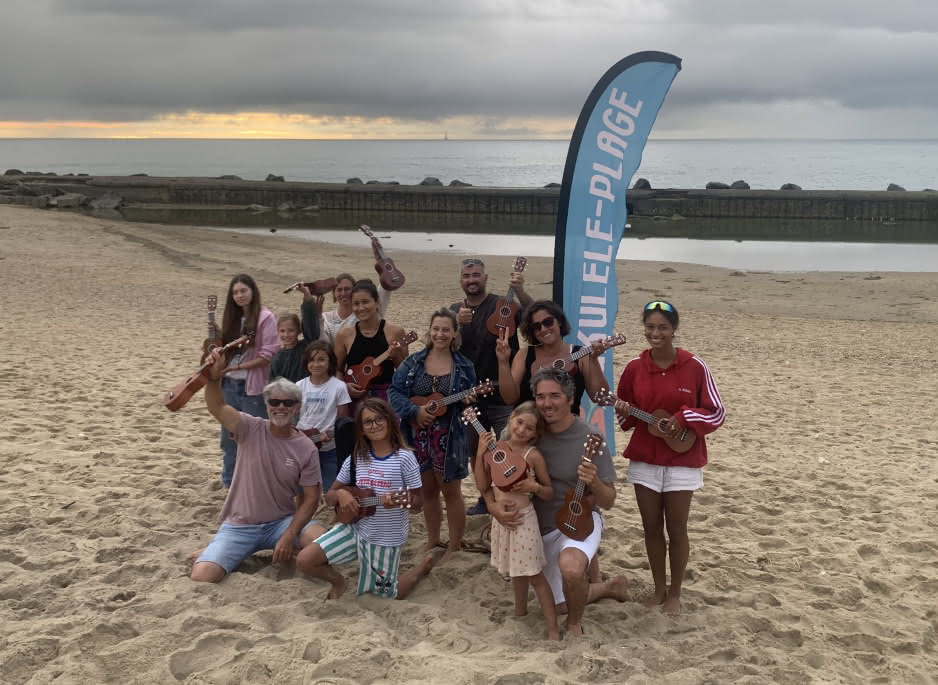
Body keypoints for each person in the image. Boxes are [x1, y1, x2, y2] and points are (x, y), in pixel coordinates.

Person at [482, 367, 629, 637]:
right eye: (540, 397)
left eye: (554, 396)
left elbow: (609, 500)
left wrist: (594, 481)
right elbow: (489, 475)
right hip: (535, 525)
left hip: (578, 521)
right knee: (558, 603)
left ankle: (574, 624)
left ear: (570, 399)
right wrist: (492, 506)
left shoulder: (590, 437)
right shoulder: (523, 431)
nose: (547, 404)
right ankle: (610, 587)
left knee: (571, 570)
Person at [614, 300, 725, 616]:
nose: (655, 333)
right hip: (646, 459)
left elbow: (716, 412)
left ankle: (675, 593)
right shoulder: (635, 367)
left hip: (682, 459)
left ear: (674, 329)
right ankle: (658, 589)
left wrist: (683, 417)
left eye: (662, 327)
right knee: (650, 527)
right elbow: (628, 418)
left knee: (677, 527)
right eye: (650, 327)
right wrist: (623, 410)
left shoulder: (695, 366)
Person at [190, 348, 324, 583]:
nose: (281, 407)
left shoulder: (306, 447)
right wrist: (214, 378)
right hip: (240, 525)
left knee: (323, 545)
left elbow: (312, 498)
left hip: (281, 522)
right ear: (267, 404)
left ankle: (228, 551)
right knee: (203, 576)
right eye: (275, 401)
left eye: (288, 402)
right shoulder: (249, 427)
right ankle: (215, 552)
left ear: (297, 408)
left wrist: (291, 532)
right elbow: (217, 407)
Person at [295, 399, 433, 599]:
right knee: (304, 561)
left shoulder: (404, 458)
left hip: (385, 538)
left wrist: (400, 501)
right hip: (354, 529)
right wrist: (342, 493)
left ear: (390, 421)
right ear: (362, 429)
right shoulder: (356, 458)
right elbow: (330, 496)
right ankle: (339, 581)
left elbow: (418, 503)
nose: (374, 425)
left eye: (379, 419)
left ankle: (420, 569)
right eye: (368, 422)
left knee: (386, 594)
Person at [389, 308, 476, 562]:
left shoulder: (464, 365)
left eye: (445, 330)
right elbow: (395, 392)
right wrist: (414, 411)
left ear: (454, 333)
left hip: (449, 437)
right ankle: (433, 538)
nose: (440, 334)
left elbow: (468, 402)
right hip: (418, 435)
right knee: (427, 490)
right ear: (430, 331)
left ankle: (455, 544)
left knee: (452, 492)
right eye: (436, 329)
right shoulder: (413, 362)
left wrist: (467, 400)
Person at [449, 258, 532, 514]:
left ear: (485, 278)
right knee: (476, 451)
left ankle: (513, 490)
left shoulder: (504, 304)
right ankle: (485, 500)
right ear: (461, 280)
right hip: (470, 397)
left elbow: (534, 317)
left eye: (476, 275)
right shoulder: (455, 309)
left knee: (511, 446)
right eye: (466, 276)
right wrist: (455, 323)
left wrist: (519, 290)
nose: (471, 280)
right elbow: (440, 344)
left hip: (504, 394)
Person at [474, 402, 560, 640]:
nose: (522, 430)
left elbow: (549, 492)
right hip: (502, 521)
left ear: (536, 434)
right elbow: (482, 485)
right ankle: (520, 610)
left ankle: (553, 629)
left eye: (529, 428)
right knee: (516, 571)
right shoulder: (496, 448)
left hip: (523, 521)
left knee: (534, 575)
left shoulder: (533, 456)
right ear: (511, 419)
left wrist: (534, 486)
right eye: (519, 422)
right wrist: (481, 453)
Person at [218, 274, 280, 488]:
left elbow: (268, 355)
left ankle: (255, 484)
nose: (240, 295)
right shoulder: (232, 319)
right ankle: (229, 482)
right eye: (235, 292)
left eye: (243, 290)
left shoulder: (266, 317)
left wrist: (238, 367)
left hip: (253, 387)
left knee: (254, 439)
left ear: (253, 291)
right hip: (229, 386)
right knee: (229, 437)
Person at [497, 299, 609, 416]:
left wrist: (594, 359)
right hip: (529, 428)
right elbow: (510, 399)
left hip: (567, 429)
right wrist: (503, 361)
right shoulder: (524, 355)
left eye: (548, 322)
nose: (543, 329)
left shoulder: (582, 354)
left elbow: (602, 398)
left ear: (559, 321)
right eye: (536, 326)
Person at [335, 279, 409, 406]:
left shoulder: (396, 332)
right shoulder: (344, 335)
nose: (361, 308)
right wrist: (344, 387)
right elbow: (337, 371)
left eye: (365, 302)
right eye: (356, 304)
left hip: (386, 399)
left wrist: (395, 356)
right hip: (354, 399)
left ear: (377, 302)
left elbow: (406, 373)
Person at [296, 341, 352, 493]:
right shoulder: (299, 386)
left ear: (330, 362)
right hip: (304, 444)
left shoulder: (339, 387)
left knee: (331, 485)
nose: (316, 364)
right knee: (303, 486)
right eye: (312, 360)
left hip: (329, 446)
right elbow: (294, 415)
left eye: (321, 359)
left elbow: (343, 419)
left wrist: (334, 435)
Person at [319, 273, 392, 346]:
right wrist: (319, 317)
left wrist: (384, 270)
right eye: (339, 289)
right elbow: (325, 346)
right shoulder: (326, 318)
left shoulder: (366, 312)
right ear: (334, 293)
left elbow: (384, 291)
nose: (343, 293)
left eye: (347, 289)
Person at [268, 286, 322, 383]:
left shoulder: (307, 348)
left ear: (299, 331)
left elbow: (310, 324)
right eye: (282, 331)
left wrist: (307, 296)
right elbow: (273, 385)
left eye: (291, 330)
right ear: (277, 332)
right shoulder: (276, 359)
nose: (286, 334)